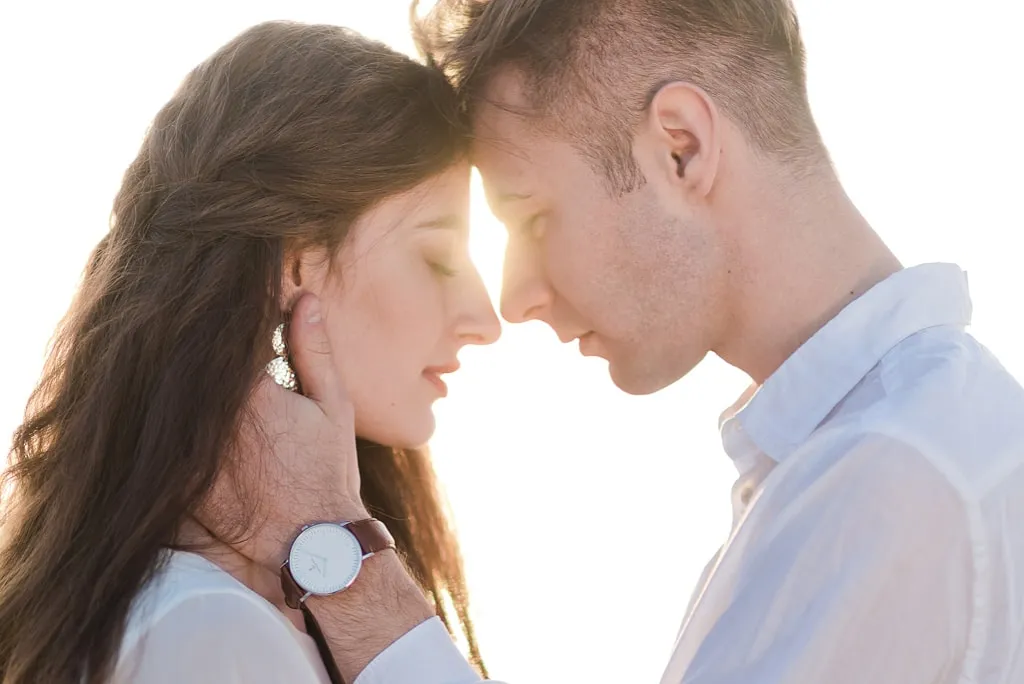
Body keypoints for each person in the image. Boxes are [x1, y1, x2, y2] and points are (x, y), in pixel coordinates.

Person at [246, 1, 1024, 683]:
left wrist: (336, 556)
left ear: (680, 147)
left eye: (533, 216)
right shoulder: (899, 446)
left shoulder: (896, 470)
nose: (516, 299)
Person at [0, 21, 501, 684]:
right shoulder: (209, 630)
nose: (485, 319)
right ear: (293, 267)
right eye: (438, 257)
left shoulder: (224, 613)